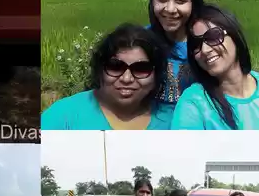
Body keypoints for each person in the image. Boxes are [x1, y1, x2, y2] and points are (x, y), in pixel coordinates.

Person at [171, 5, 259, 130]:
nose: (205, 50)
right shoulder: (194, 104)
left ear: (234, 36)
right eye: (196, 45)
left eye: (213, 37)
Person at [41, 23, 175, 129]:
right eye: (116, 67)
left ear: (156, 75)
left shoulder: (173, 120)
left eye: (141, 69)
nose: (126, 79)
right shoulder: (62, 116)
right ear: (100, 69)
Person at [145, 0, 204, 109]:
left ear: (193, 4)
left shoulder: (205, 47)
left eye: (180, 0)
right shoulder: (140, 41)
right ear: (152, 0)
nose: (170, 9)